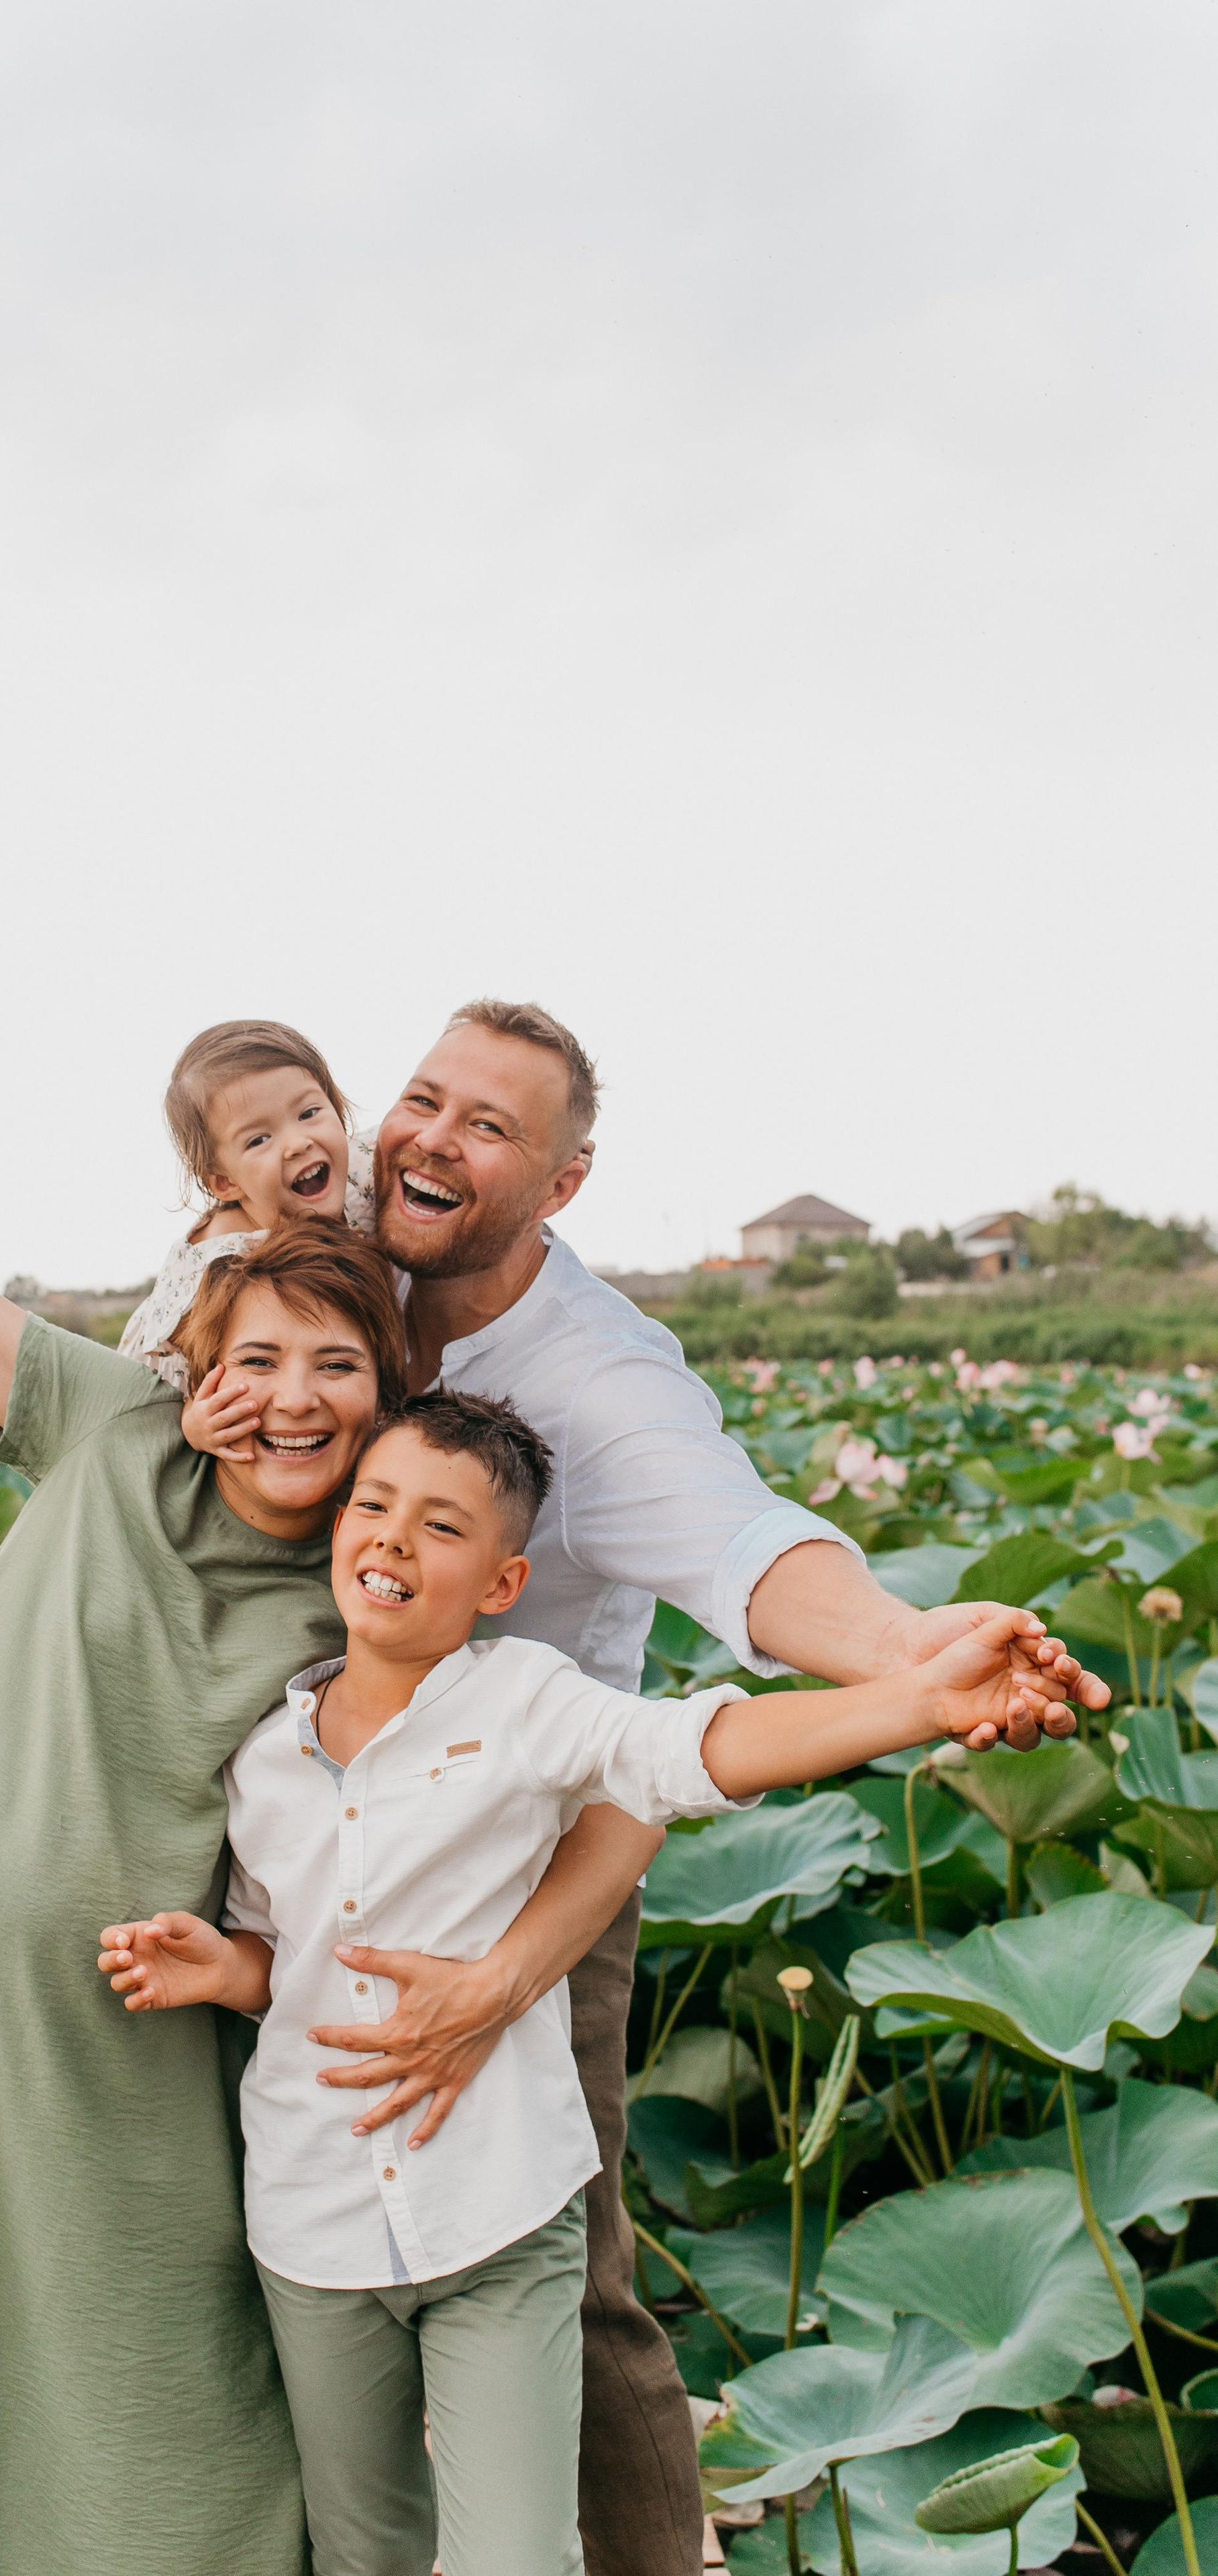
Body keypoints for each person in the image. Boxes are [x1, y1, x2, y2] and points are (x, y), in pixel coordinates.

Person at [0, 948, 658, 2576]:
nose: (285, 1399)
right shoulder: (110, 1420)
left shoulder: (367, 1580)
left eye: (335, 1367)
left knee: (177, 2373)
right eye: (250, 1359)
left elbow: (518, 1779)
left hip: (123, 2000)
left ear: (391, 1397)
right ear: (196, 1363)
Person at [293, 998, 1111, 2576]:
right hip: (295, 1821)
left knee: (558, 2274)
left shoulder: (596, 1374)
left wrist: (897, 1648)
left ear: (564, 1179)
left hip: (519, 1865)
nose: (431, 1140)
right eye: (422, 1098)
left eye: (488, 1127)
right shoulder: (334, 1264)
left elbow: (736, 1545)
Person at [95, 1393, 1084, 2576]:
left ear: (502, 1583)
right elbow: (281, 1953)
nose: (394, 1540)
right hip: (312, 2222)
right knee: (367, 2555)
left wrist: (913, 1702)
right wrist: (224, 1970)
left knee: (518, 2561)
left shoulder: (524, 1700)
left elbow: (691, 1753)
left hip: (500, 2210)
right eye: (375, 1505)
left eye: (443, 1528)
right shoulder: (263, 1753)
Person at [119, 1018, 374, 1396]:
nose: (298, 1142)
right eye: (259, 1140)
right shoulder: (225, 1267)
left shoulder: (355, 1171)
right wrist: (195, 1424)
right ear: (225, 1182)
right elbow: (176, 1391)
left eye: (308, 1113)